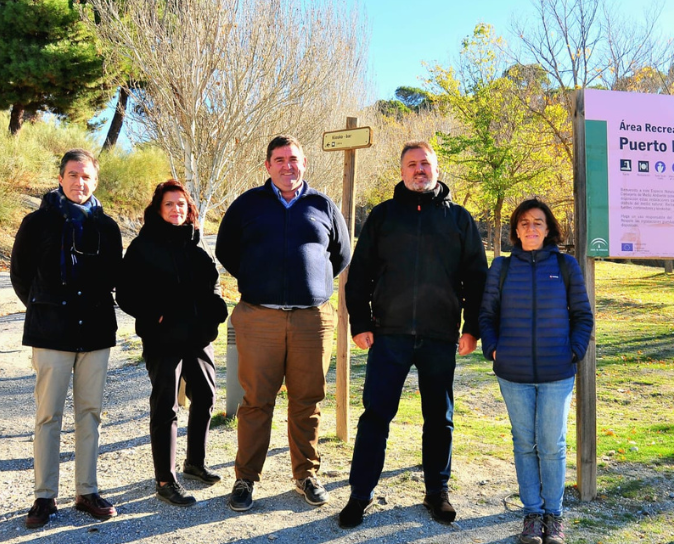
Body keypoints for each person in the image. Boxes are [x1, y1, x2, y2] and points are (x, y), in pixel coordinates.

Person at [338, 140, 488, 528]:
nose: (419, 170)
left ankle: (437, 491)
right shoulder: (383, 216)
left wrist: (472, 328)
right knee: (375, 416)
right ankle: (360, 494)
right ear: (402, 171)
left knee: (439, 418)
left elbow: (477, 279)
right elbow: (359, 274)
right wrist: (361, 322)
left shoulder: (459, 219)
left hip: (440, 336)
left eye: (425, 163)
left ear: (437, 169)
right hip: (389, 335)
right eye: (411, 164)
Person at [215, 134, 351, 512]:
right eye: (279, 160)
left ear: (304, 163)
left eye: (294, 159)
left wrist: (313, 284)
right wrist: (257, 279)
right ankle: (245, 478)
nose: (287, 166)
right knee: (256, 401)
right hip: (259, 318)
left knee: (307, 400)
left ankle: (306, 474)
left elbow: (341, 254)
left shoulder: (322, 205)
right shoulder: (248, 204)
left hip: (312, 321)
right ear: (267, 166)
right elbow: (225, 249)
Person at [10, 149, 122, 528]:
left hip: (95, 333)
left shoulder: (107, 227)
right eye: (73, 175)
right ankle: (44, 496)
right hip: (50, 334)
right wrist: (44, 309)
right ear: (61, 179)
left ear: (96, 181)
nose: (79, 182)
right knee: (49, 415)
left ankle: (86, 491)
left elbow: (115, 278)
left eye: (86, 176)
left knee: (90, 414)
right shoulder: (37, 222)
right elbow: (21, 276)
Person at [478, 199, 593, 544]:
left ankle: (553, 516)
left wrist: (573, 351)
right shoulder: (501, 267)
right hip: (513, 373)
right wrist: (494, 349)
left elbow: (582, 316)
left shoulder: (565, 265)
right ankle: (532, 514)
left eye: (538, 223)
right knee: (525, 444)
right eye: (524, 222)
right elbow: (487, 315)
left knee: (552, 445)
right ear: (516, 229)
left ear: (548, 229)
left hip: (557, 372)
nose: (531, 228)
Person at [116, 180, 228, 507]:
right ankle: (165, 479)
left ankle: (194, 463)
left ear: (188, 208)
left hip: (198, 336)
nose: (176, 209)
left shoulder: (196, 241)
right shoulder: (143, 246)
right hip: (162, 338)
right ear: (158, 209)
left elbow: (213, 282)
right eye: (169, 204)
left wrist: (215, 310)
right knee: (167, 405)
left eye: (181, 204)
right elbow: (125, 293)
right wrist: (156, 316)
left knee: (205, 395)